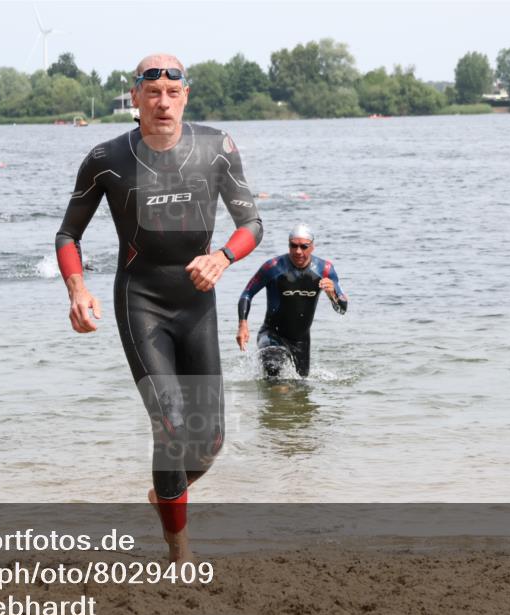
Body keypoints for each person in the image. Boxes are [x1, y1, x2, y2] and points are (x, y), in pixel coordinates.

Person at [55, 53, 263, 563]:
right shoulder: (106, 158)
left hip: (198, 302)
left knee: (209, 442)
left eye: (173, 93)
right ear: (136, 97)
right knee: (170, 426)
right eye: (153, 93)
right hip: (141, 300)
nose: (163, 102)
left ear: (185, 95)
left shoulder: (216, 147)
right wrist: (77, 290)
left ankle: (166, 494)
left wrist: (222, 258)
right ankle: (178, 552)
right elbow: (68, 234)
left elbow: (252, 224)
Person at [236, 224, 347, 378]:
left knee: (300, 391)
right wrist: (243, 324)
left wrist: (332, 294)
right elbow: (247, 294)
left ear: (312, 247)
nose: (298, 251)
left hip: (301, 340)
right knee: (274, 370)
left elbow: (342, 308)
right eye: (293, 246)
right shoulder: (273, 267)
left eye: (303, 246)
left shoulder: (325, 270)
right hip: (272, 335)